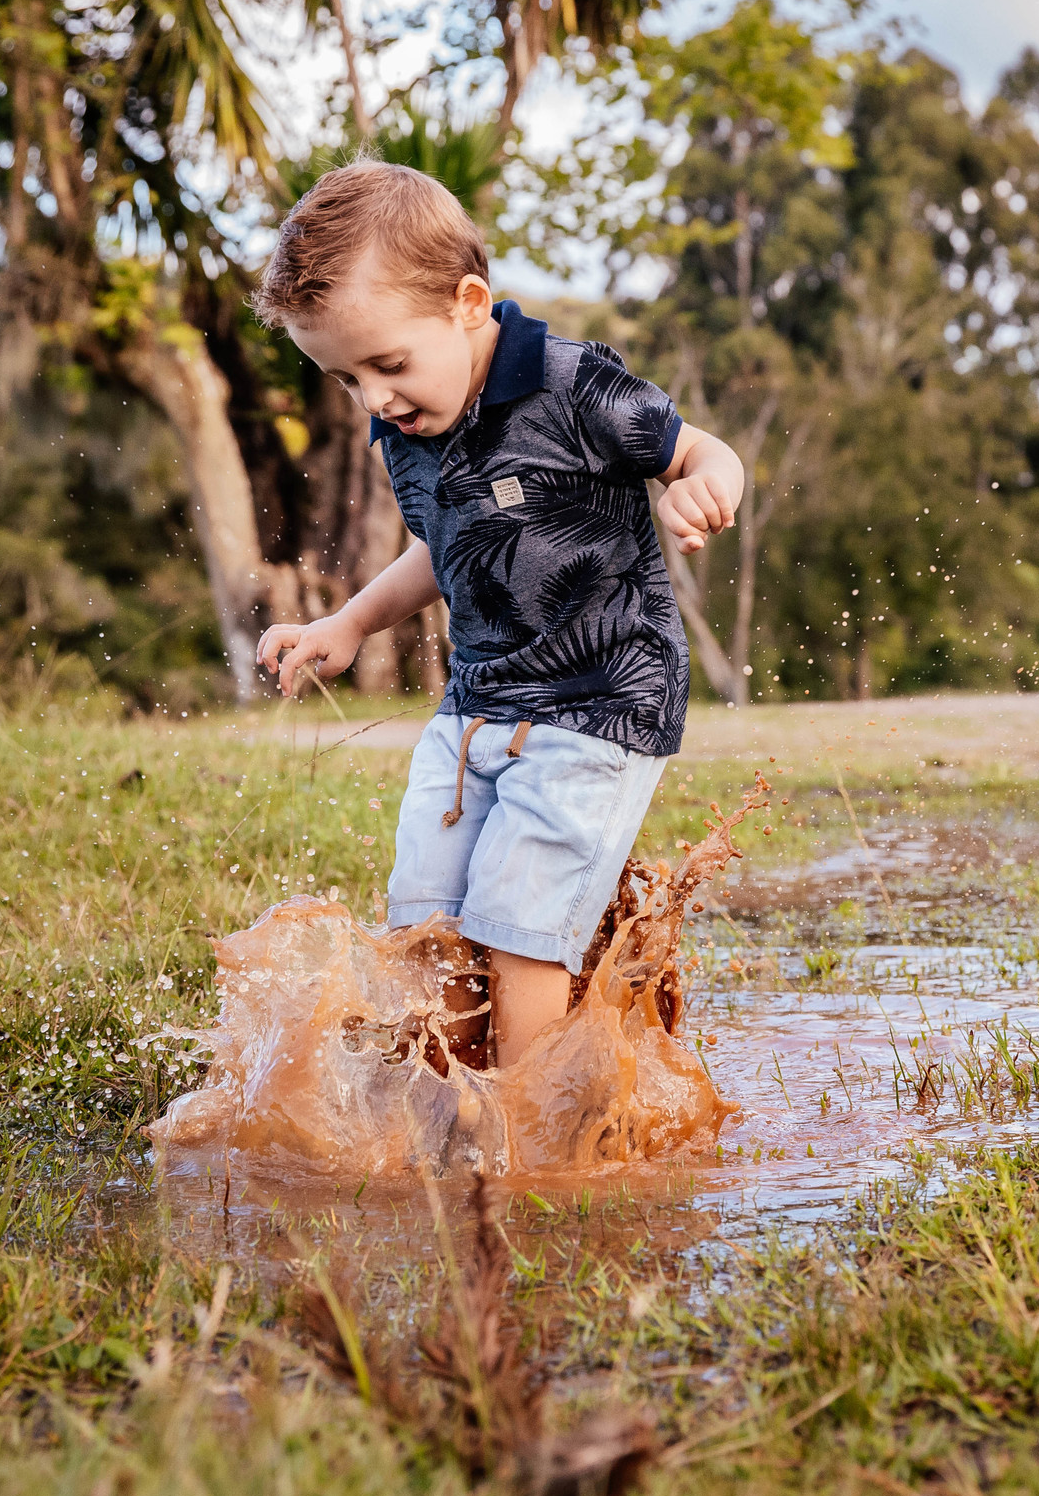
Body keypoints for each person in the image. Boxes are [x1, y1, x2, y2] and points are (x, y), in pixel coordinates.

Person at [253, 159, 743, 1068]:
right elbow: (446, 547)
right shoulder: (408, 424)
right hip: (477, 707)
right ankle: (448, 1115)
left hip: (601, 702)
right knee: (425, 930)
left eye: (388, 365)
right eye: (345, 379)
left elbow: (702, 453)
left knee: (520, 930)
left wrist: (704, 492)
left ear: (468, 303)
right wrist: (350, 625)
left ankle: (531, 1136)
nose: (375, 401)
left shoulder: (573, 387)